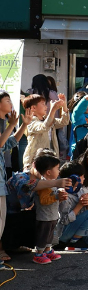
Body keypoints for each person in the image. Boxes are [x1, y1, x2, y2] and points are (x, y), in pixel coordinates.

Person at [0, 95, 30, 263]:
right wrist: (12, 124)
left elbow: (9, 143)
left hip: (1, 177)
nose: (11, 104)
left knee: (2, 220)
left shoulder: (3, 122)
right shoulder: (5, 122)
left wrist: (24, 124)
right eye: (7, 101)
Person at [55, 161, 88, 250]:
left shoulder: (79, 190)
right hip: (64, 231)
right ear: (74, 178)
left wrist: (87, 205)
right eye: (82, 176)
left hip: (77, 229)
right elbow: (64, 221)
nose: (84, 178)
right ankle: (74, 242)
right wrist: (79, 205)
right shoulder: (63, 194)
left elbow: (86, 216)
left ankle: (77, 239)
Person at [32, 149, 67, 264]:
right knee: (43, 235)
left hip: (52, 215)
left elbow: (53, 196)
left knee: (50, 234)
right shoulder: (43, 185)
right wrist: (57, 197)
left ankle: (48, 250)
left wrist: (60, 194)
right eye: (57, 168)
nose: (59, 170)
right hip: (44, 217)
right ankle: (39, 253)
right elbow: (44, 200)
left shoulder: (53, 182)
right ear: (48, 172)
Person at [22, 93, 70, 171]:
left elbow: (64, 122)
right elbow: (44, 127)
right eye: (43, 104)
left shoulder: (46, 119)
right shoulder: (30, 122)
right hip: (34, 162)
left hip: (49, 160)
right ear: (33, 108)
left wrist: (64, 105)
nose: (46, 106)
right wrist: (53, 109)